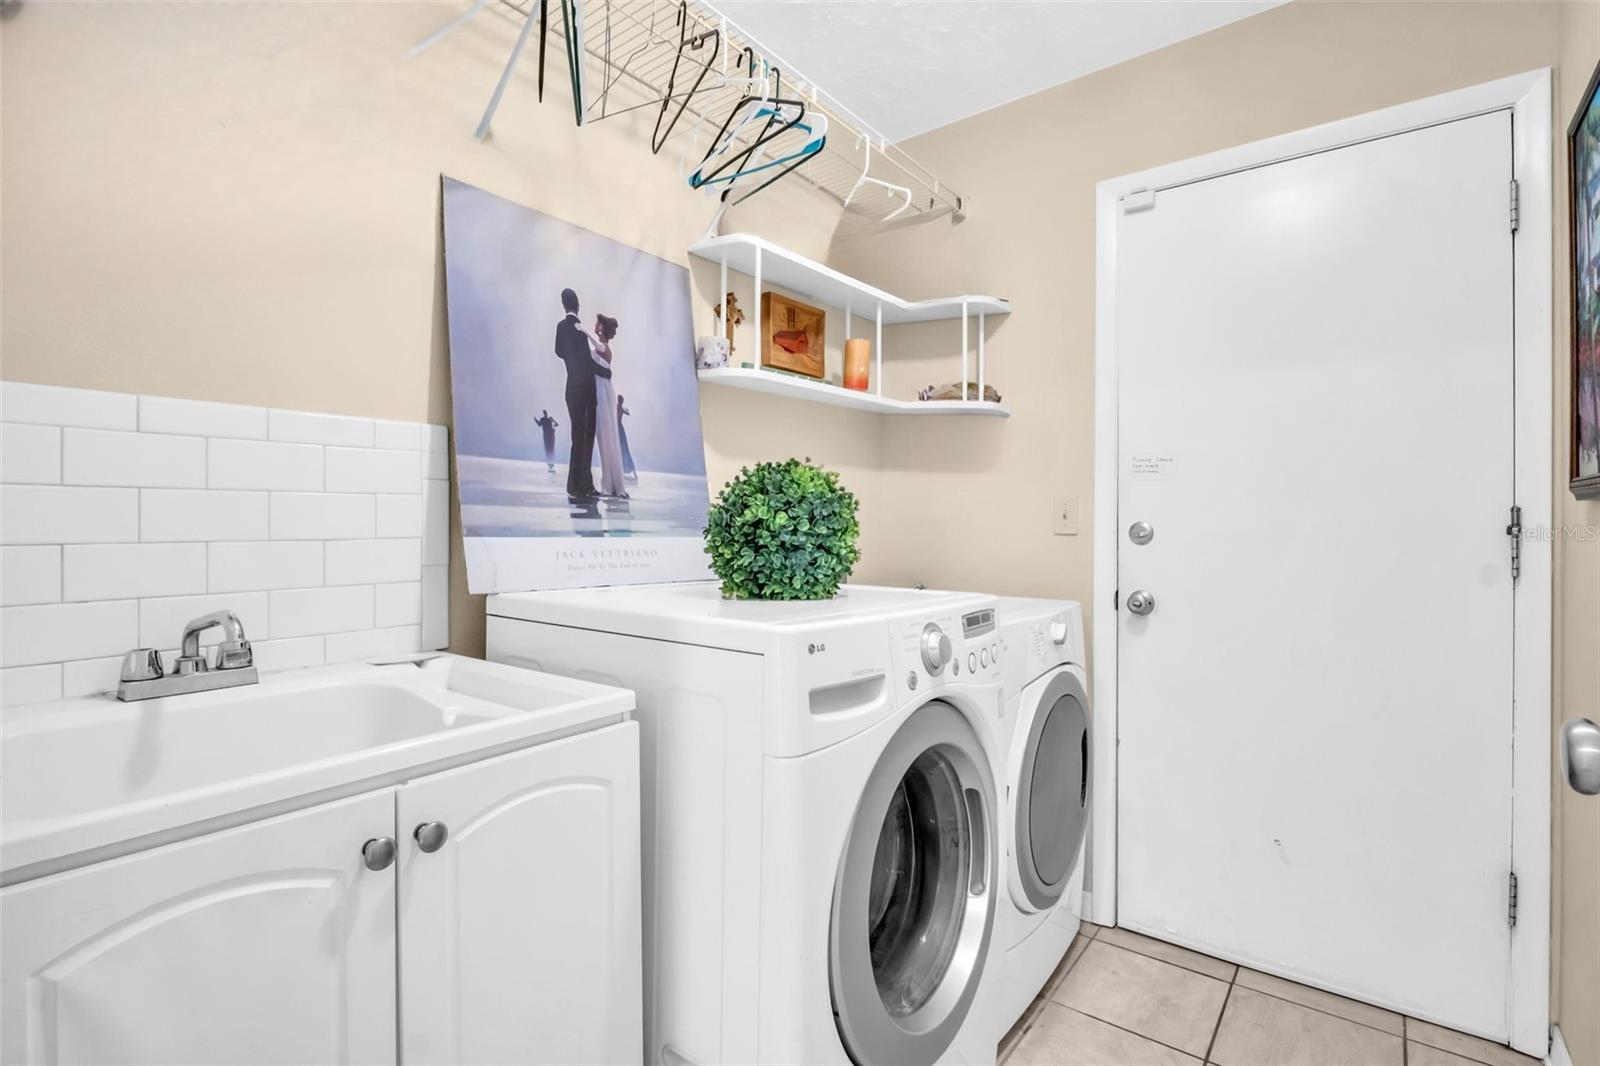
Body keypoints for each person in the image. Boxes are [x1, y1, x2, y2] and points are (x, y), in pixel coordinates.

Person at [554, 288, 598, 501]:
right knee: (587, 439)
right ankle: (584, 485)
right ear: (577, 304)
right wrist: (605, 371)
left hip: (571, 389)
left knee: (576, 438)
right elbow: (588, 362)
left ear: (564, 305)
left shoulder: (561, 327)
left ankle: (574, 485)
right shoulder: (580, 330)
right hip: (586, 391)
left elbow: (559, 351)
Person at [588, 314, 627, 498]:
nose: (595, 326)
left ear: (601, 327)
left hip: (602, 393)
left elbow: (598, 347)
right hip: (600, 391)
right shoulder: (603, 348)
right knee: (605, 437)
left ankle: (612, 483)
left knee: (606, 436)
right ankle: (609, 481)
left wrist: (585, 333)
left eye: (597, 324)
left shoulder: (604, 348)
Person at [616, 395, 637, 481]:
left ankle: (629, 470)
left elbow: (628, 413)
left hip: (619, 428)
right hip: (617, 428)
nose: (621, 402)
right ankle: (620, 470)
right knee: (620, 448)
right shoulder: (617, 407)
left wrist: (625, 409)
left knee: (624, 448)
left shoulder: (618, 407)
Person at [534, 409, 560, 473]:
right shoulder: (546, 419)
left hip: (549, 435)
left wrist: (535, 420)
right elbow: (556, 424)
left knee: (549, 448)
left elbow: (539, 424)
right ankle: (550, 463)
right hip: (549, 435)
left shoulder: (545, 419)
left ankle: (551, 463)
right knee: (549, 448)